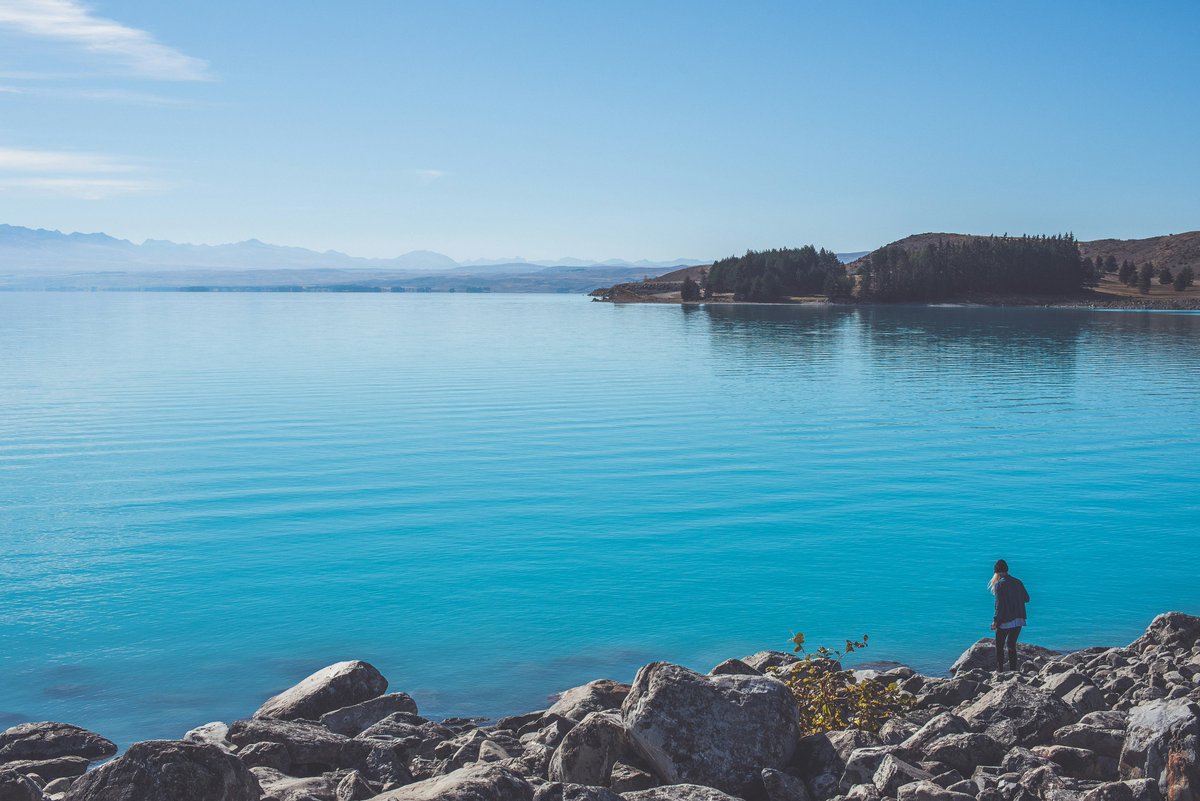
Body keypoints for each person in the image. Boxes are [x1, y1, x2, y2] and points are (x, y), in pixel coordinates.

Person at [989, 559, 1029, 672]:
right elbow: (1027, 599)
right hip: (1019, 619)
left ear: (996, 572)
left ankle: (1000, 671)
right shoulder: (1018, 582)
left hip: (1006, 620)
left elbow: (999, 605)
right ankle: (1013, 671)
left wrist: (995, 621)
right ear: (1007, 570)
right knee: (1011, 645)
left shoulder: (999, 585)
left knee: (999, 646)